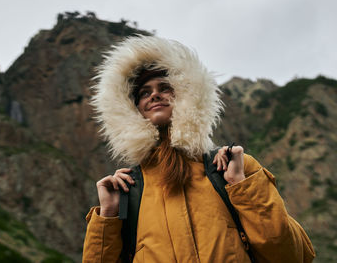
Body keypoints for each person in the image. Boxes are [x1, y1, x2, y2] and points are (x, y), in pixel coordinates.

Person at [82, 35, 315, 262]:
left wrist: (241, 186)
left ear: (187, 95)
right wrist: (108, 214)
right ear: (133, 109)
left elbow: (290, 256)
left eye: (165, 87)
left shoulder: (233, 169)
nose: (154, 94)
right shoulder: (128, 190)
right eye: (144, 92)